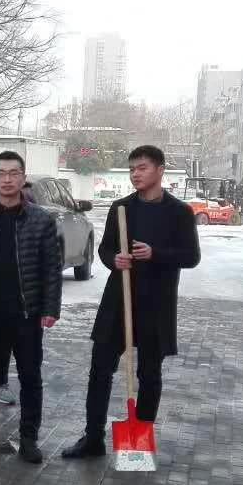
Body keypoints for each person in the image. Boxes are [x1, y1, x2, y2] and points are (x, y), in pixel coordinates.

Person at [62, 145, 201, 459]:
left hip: (157, 304)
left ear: (160, 170)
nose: (135, 174)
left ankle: (140, 437)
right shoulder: (121, 208)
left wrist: (156, 254)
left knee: (149, 375)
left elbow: (191, 256)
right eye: (132, 169)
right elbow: (105, 249)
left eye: (142, 168)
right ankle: (93, 438)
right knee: (100, 369)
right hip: (118, 302)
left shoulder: (179, 212)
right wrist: (115, 260)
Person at [0, 151, 63, 463]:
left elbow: (51, 267)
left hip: (27, 313)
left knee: (30, 376)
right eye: (1, 173)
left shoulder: (41, 219)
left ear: (23, 178)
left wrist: (50, 307)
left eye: (13, 173)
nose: (7, 179)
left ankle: (29, 437)